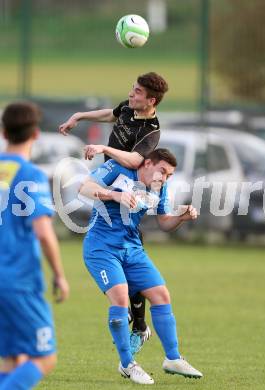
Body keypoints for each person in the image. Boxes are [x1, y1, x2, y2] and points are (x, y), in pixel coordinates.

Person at [59, 71, 169, 353]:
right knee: (116, 252)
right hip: (111, 180)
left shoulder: (152, 131)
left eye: (137, 93)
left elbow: (135, 159)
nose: (131, 95)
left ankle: (139, 325)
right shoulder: (129, 108)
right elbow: (111, 114)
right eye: (132, 90)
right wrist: (80, 116)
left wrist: (103, 147)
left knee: (125, 250)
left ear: (151, 100)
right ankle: (138, 323)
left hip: (129, 187)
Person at [79, 148, 203, 385]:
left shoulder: (159, 188)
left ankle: (173, 358)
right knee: (120, 298)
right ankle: (127, 364)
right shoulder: (119, 169)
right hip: (101, 247)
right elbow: (83, 187)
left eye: (168, 175)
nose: (164, 178)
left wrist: (181, 218)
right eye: (162, 171)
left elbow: (164, 221)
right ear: (147, 163)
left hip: (132, 249)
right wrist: (114, 195)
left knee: (161, 295)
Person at [0, 102, 70, 390]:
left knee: (11, 360)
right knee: (45, 358)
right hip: (18, 280)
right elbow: (43, 232)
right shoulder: (31, 175)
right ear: (36, 135)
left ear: (3, 131)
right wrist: (59, 274)